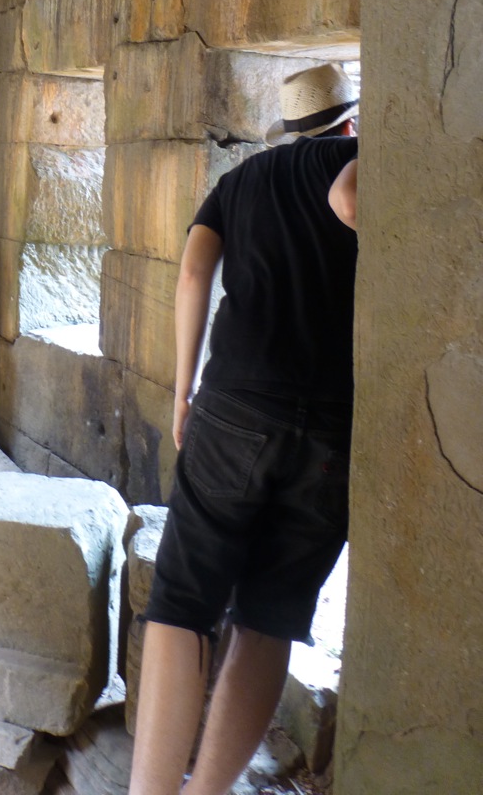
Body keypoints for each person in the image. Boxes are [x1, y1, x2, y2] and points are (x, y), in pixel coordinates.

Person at [129, 62, 360, 795]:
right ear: (349, 120)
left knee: (181, 604)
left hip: (233, 409)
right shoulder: (360, 160)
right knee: (268, 619)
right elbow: (350, 201)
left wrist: (183, 392)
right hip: (331, 431)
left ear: (289, 128)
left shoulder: (240, 182)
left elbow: (193, 274)